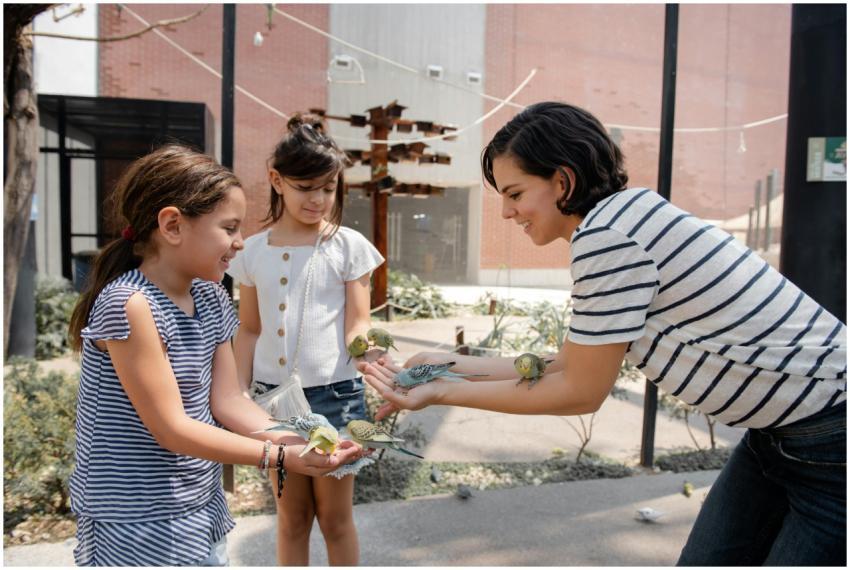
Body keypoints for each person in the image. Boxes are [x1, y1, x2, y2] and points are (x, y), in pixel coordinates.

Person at [359, 101, 847, 566]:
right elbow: (567, 363)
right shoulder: (626, 217)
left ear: (563, 181)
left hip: (830, 437)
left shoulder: (607, 238)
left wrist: (442, 393)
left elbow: (579, 392)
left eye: (515, 194)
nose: (508, 213)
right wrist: (440, 366)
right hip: (780, 435)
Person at [67, 145, 362, 567]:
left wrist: (303, 442)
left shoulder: (209, 296)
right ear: (172, 225)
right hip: (133, 520)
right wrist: (279, 455)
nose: (241, 243)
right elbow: (171, 428)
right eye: (229, 228)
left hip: (198, 504)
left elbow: (228, 401)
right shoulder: (130, 304)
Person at [227, 114, 384, 566]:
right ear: (277, 181)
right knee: (292, 519)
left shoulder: (347, 246)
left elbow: (357, 323)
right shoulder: (253, 251)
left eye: (328, 188)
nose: (318, 200)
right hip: (272, 402)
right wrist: (240, 393)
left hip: (337, 397)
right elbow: (250, 328)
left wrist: (369, 351)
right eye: (305, 187)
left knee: (335, 520)